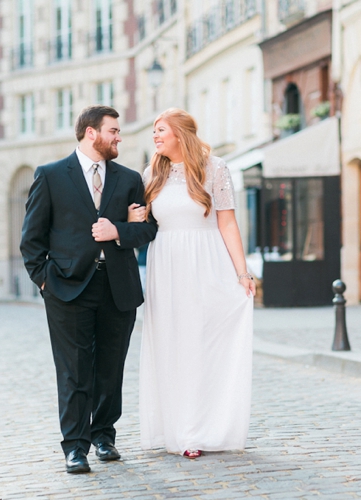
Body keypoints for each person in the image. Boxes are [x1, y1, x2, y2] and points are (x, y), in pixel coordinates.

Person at [20, 105, 157, 474]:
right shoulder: (50, 176)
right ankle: (75, 447)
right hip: (66, 288)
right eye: (113, 130)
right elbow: (31, 239)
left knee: (111, 369)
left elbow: (147, 230)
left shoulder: (129, 179)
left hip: (118, 286)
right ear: (91, 133)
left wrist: (119, 230)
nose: (119, 137)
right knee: (74, 370)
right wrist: (45, 280)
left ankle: (104, 437)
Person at [129, 108, 255, 458]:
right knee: (173, 344)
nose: (155, 137)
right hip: (166, 265)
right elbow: (142, 222)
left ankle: (203, 429)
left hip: (208, 261)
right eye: (154, 131)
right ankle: (180, 431)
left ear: (180, 134)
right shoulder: (151, 172)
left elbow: (228, 224)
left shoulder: (215, 168)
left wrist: (242, 273)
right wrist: (131, 217)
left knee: (204, 344)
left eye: (161, 130)